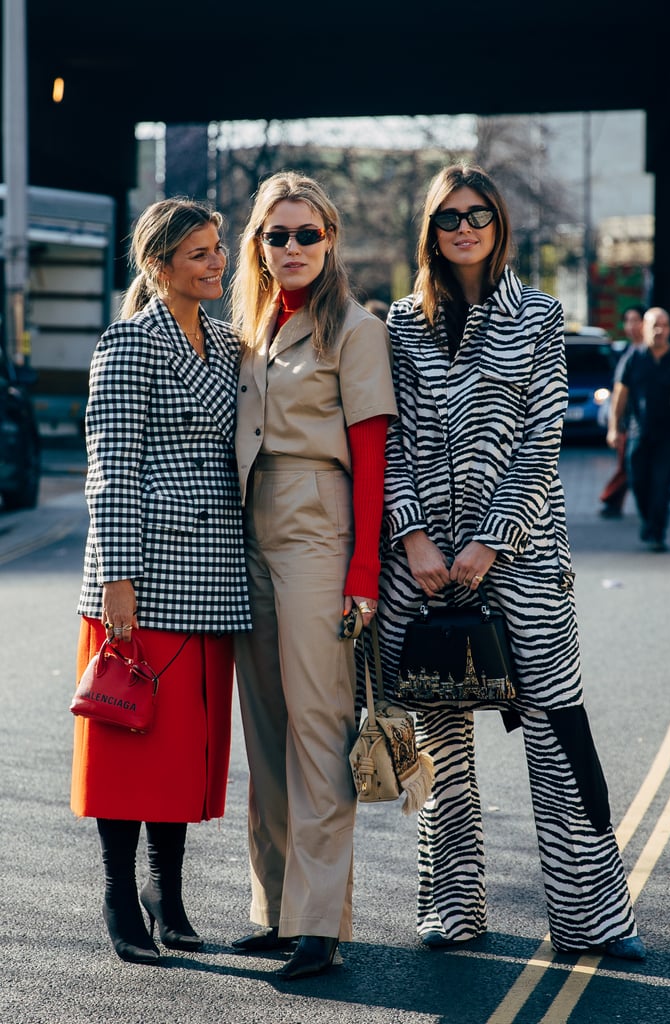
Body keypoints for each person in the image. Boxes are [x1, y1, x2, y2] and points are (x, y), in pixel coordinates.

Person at [376, 163, 645, 960]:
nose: (463, 227)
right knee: (441, 735)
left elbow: (540, 441)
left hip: (520, 560)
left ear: (499, 225)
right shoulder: (396, 323)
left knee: (558, 732)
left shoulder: (537, 315)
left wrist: (489, 539)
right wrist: (413, 537)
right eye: (448, 217)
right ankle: (451, 909)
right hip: (423, 569)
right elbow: (384, 440)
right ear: (430, 230)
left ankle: (591, 919)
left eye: (478, 215)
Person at [71, 197, 251, 965]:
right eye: (201, 254)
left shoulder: (227, 343)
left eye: (218, 249)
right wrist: (119, 579)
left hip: (211, 576)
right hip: (140, 577)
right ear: (158, 266)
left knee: (177, 749)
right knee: (127, 737)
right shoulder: (128, 343)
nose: (218, 263)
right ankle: (119, 895)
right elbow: (111, 469)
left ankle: (166, 893)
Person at [229, 171, 397, 979]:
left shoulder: (354, 329)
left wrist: (362, 571)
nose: (291, 248)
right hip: (249, 526)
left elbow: (372, 456)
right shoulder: (252, 326)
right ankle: (277, 908)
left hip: (318, 529)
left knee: (317, 728)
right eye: (275, 235)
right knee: (263, 728)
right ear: (256, 246)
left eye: (305, 234)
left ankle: (319, 924)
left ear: (329, 240)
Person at [607, 306, 670, 552]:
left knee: (661, 486)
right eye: (654, 325)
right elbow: (620, 395)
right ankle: (648, 522)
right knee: (639, 482)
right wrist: (613, 428)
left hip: (669, 436)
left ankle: (656, 532)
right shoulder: (634, 359)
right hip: (638, 433)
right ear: (645, 329)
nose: (659, 330)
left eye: (664, 325)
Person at [598, 304, 646, 518]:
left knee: (633, 466)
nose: (632, 326)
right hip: (629, 423)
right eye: (628, 321)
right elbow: (618, 392)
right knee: (628, 465)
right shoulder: (626, 353)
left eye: (636, 320)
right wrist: (614, 427)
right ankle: (611, 500)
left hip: (650, 423)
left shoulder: (654, 352)